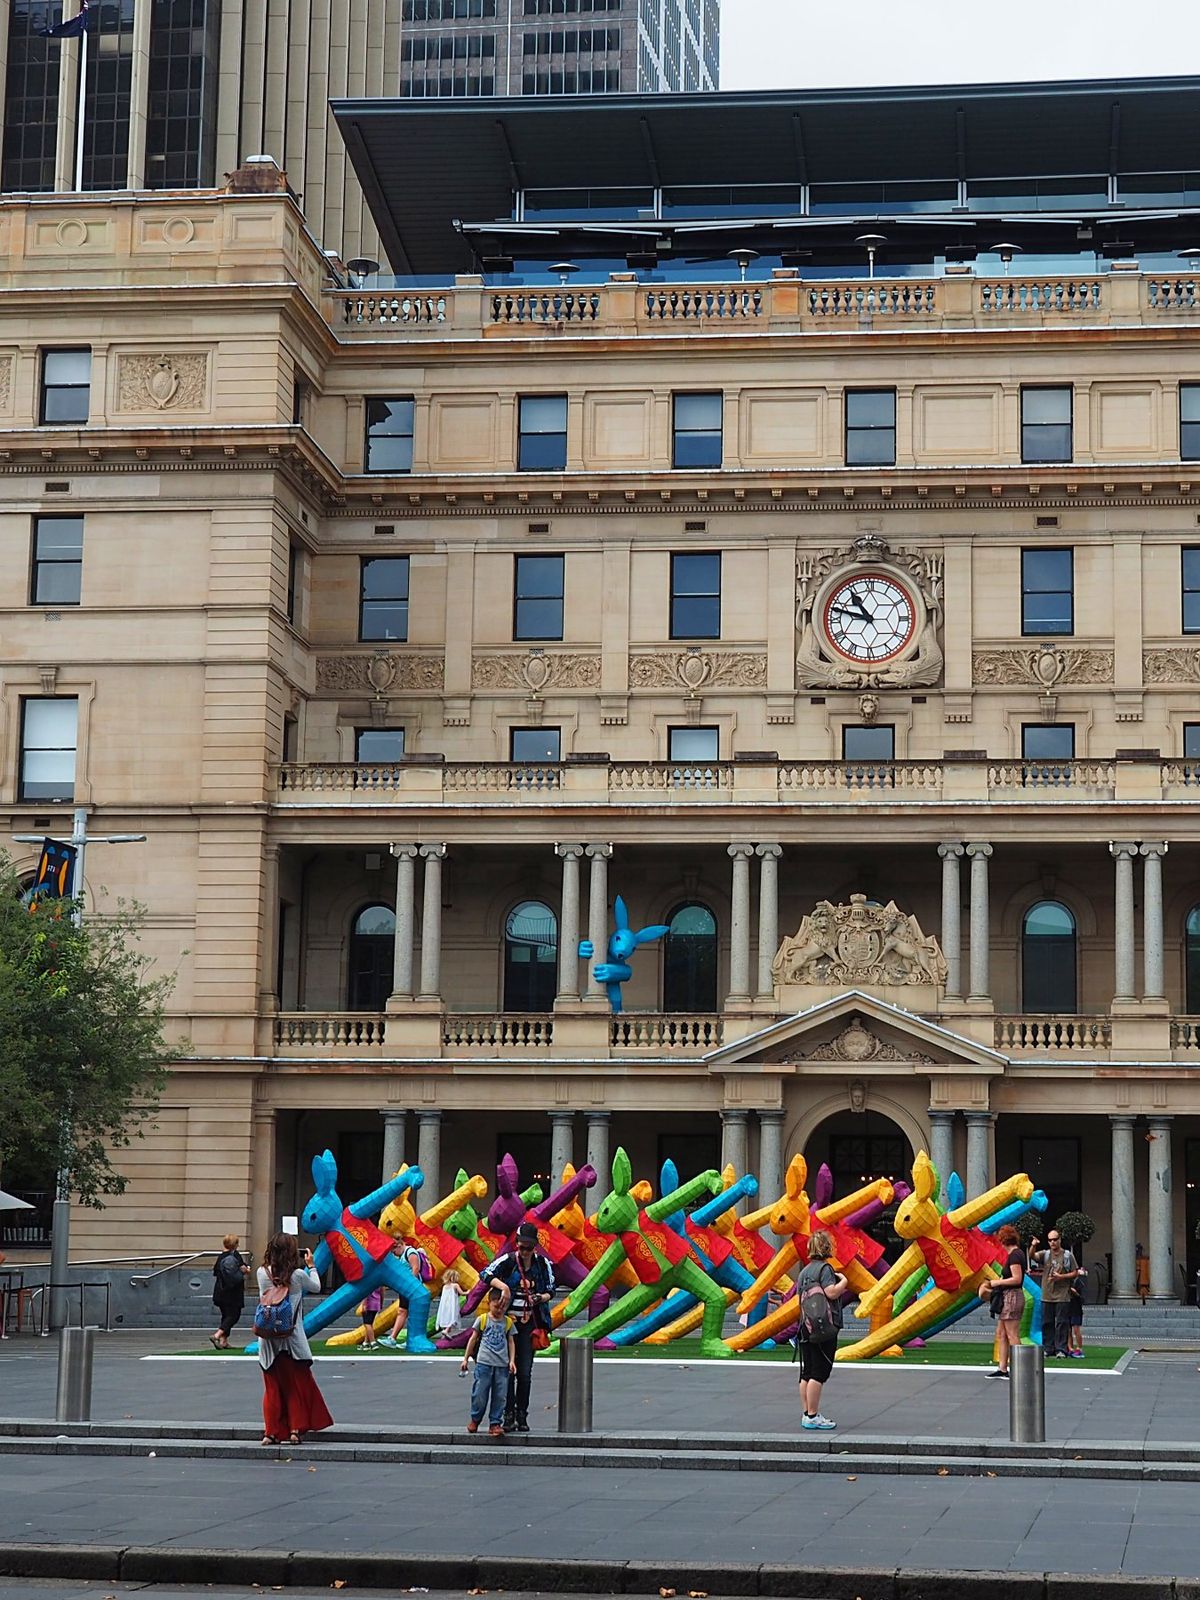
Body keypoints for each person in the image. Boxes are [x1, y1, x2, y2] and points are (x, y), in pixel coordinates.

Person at [255, 1232, 334, 1446]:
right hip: (292, 1339)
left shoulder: (261, 1273)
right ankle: (294, 1431)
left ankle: (270, 1433)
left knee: (271, 1388)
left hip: (269, 1339)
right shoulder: (298, 1275)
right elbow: (316, 1287)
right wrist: (313, 1265)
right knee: (294, 1387)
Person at [479, 1221, 555, 1433]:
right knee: (507, 1372)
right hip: (508, 1324)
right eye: (521, 1247)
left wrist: (540, 1297)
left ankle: (522, 1415)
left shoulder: (542, 1264)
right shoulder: (509, 1261)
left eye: (528, 1248)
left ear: (535, 1247)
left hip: (530, 1324)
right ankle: (508, 1414)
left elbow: (552, 1289)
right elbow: (485, 1274)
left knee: (524, 1373)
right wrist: (502, 1286)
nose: (524, 1252)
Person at [795, 1229, 847, 1432]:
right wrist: (843, 1282)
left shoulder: (804, 1271)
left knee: (806, 1372)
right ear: (827, 1247)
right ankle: (813, 1416)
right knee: (819, 1372)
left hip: (805, 1327)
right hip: (823, 1328)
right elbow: (831, 1293)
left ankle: (807, 1413)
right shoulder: (825, 1270)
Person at [460, 1284, 516, 1437]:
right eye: (497, 1306)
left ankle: (495, 1423)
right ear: (489, 1303)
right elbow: (473, 1339)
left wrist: (511, 1361)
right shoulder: (482, 1319)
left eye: (502, 1307)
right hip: (484, 1363)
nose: (499, 1310)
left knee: (500, 1395)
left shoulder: (508, 1322)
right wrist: (465, 1359)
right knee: (479, 1393)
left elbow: (511, 1342)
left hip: (501, 1365)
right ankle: (475, 1419)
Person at [979, 1223, 1025, 1379]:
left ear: (1003, 1240)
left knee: (1012, 1334)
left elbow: (1017, 1279)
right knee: (1002, 1333)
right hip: (1009, 1296)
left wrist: (995, 1283)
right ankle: (1003, 1368)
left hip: (1012, 1296)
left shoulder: (1015, 1256)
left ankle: (1020, 1369)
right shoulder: (1015, 1255)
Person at [1029, 1229, 1079, 1359]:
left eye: (1055, 1239)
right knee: (1047, 1322)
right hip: (1047, 1294)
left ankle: (1061, 1349)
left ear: (1059, 1240)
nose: (1052, 1242)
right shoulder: (1045, 1254)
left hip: (1062, 1295)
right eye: (1050, 1240)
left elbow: (1075, 1272)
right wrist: (1034, 1245)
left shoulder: (1067, 1255)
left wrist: (1061, 1277)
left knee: (1062, 1323)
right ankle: (1048, 1348)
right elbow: (1032, 1256)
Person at [377, 1238, 430, 1348]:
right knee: (402, 1311)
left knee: (408, 1312)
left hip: (412, 1289)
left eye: (394, 1250)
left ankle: (404, 1338)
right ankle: (393, 1338)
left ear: (399, 1245)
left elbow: (415, 1269)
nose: (394, 1253)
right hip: (407, 1288)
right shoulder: (403, 1255)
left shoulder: (410, 1252)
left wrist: (410, 1286)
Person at [210, 1233, 249, 1350]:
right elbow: (237, 1274)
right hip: (231, 1293)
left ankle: (223, 1341)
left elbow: (216, 1272)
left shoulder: (221, 1257)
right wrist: (244, 1271)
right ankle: (217, 1335)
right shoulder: (234, 1257)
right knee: (233, 1315)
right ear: (234, 1244)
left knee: (226, 1315)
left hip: (220, 1291)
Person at [436, 1267, 465, 1339]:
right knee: (453, 1318)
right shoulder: (455, 1285)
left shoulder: (445, 1286)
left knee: (447, 1317)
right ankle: (446, 1331)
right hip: (452, 1305)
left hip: (445, 1305)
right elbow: (462, 1293)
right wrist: (468, 1292)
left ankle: (444, 1336)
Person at [1068, 1262, 1088, 1358]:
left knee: (1076, 1329)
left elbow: (1082, 1297)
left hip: (1076, 1307)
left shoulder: (1079, 1282)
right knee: (1068, 1329)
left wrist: (1074, 1292)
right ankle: (1070, 1348)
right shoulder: (1067, 1281)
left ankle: (1079, 1347)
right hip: (1067, 1306)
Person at [360, 1284, 383, 1349]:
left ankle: (373, 1342)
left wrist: (364, 1304)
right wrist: (381, 1303)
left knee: (367, 1324)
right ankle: (365, 1343)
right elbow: (382, 1291)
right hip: (376, 1303)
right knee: (370, 1323)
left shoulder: (369, 1279)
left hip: (369, 1303)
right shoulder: (379, 1280)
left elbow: (366, 1292)